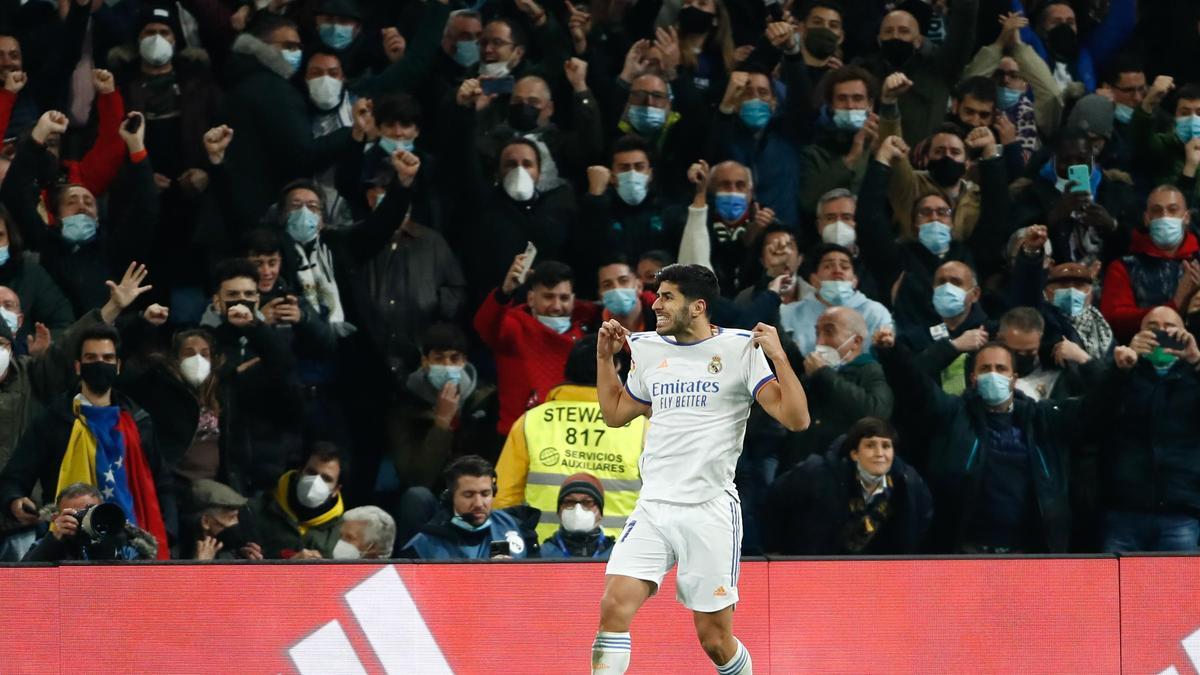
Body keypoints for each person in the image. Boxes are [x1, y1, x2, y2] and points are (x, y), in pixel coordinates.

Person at [591, 263, 810, 675]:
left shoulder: (741, 349)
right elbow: (616, 414)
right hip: (654, 506)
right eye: (656, 295)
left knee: (714, 638)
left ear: (698, 306)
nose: (655, 304)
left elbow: (796, 419)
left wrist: (778, 356)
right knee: (613, 606)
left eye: (666, 296)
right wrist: (605, 359)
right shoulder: (647, 349)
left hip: (709, 510)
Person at [875, 328, 1125, 552]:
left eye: (1001, 369)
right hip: (964, 550)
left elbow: (1094, 409)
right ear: (973, 379)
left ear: (1014, 378)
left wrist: (1118, 372)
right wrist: (892, 352)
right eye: (985, 369)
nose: (993, 374)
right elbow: (915, 388)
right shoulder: (952, 414)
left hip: (1028, 552)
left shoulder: (1044, 419)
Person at [0, 320, 172, 558]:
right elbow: (14, 478)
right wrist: (15, 501)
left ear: (118, 365)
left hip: (133, 545)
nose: (100, 364)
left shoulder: (139, 421)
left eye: (107, 358)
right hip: (66, 544)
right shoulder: (54, 420)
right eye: (91, 358)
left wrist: (170, 529)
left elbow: (161, 482)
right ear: (79, 366)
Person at [494, 335, 643, 543]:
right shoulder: (640, 425)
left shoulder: (531, 422)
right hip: (622, 558)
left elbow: (504, 500)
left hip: (544, 557)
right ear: (615, 366)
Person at [220, 14, 353, 227]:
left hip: (230, 211)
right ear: (261, 46)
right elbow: (302, 155)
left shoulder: (238, 81)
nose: (296, 53)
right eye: (288, 46)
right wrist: (352, 133)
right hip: (259, 215)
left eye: (298, 47)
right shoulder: (274, 90)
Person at [379, 322, 495, 545]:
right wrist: (442, 423)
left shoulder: (484, 400)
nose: (447, 365)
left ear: (465, 362)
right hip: (432, 499)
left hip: (474, 497)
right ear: (425, 362)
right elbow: (416, 478)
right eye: (439, 358)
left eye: (454, 359)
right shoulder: (405, 405)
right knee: (415, 496)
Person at [1098, 306, 1200, 552]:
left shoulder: (1194, 377)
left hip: (1181, 511)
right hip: (1124, 510)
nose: (1161, 333)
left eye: (1170, 327)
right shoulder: (1123, 373)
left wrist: (1197, 361)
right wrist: (1121, 370)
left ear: (1185, 333)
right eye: (1152, 328)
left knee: (1178, 590)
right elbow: (1093, 418)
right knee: (1118, 589)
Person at [765, 416, 931, 555]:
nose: (880, 453)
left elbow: (920, 522)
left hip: (879, 575)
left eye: (886, 446)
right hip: (816, 570)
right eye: (870, 445)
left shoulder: (909, 483)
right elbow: (775, 501)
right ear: (854, 454)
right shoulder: (815, 473)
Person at [474, 258, 599, 437]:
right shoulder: (512, 327)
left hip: (570, 443)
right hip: (519, 440)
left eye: (563, 298)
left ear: (573, 300)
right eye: (548, 297)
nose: (556, 306)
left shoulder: (586, 338)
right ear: (531, 298)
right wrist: (504, 292)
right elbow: (484, 325)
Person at [852, 2, 980, 145]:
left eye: (904, 31)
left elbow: (964, 25)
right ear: (879, 40)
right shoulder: (864, 71)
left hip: (927, 160)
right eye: (888, 31)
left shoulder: (941, 67)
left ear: (919, 40)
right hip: (877, 158)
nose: (895, 36)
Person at [782, 307, 893, 467]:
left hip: (845, 467)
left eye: (829, 332)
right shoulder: (810, 372)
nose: (819, 342)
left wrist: (823, 374)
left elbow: (876, 411)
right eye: (817, 333)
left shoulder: (870, 370)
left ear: (856, 341)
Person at [1100, 185, 1200, 342]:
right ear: (1147, 219)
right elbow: (1113, 321)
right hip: (1142, 358)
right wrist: (1175, 304)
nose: (1164, 216)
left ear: (1186, 217)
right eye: (1157, 211)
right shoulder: (1123, 267)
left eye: (1173, 210)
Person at [399, 454, 540, 560]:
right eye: (468, 495)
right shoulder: (425, 545)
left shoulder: (514, 527)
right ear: (451, 497)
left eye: (485, 494)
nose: (479, 503)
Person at [779, 244, 892, 356]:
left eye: (845, 267)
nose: (837, 271)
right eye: (828, 266)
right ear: (814, 279)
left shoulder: (876, 312)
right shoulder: (789, 313)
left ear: (854, 280)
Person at [249, 441, 347, 559]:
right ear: (299, 472)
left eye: (326, 479)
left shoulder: (341, 530)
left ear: (336, 490)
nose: (315, 482)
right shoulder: (254, 510)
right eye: (311, 472)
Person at [22, 482, 158, 562]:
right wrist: (53, 541)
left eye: (90, 512)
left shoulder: (125, 542)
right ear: (59, 517)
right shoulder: (51, 542)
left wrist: (102, 541)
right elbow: (21, 579)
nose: (85, 519)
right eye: (76, 514)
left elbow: (137, 586)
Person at [540, 473, 615, 560]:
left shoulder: (617, 553)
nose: (577, 510)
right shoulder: (542, 553)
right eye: (569, 502)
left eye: (587, 502)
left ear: (600, 512)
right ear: (559, 511)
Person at [188, 478, 262, 561]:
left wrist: (254, 567)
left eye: (237, 516)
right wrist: (198, 568)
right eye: (231, 518)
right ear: (206, 522)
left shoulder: (234, 552)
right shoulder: (179, 553)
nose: (236, 522)